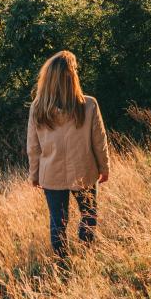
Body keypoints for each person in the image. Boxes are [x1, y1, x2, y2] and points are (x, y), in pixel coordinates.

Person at [26, 50, 110, 256]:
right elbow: (99, 141)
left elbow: (33, 147)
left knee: (58, 221)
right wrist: (104, 167)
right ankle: (86, 255)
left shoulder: (38, 107)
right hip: (84, 170)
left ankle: (62, 265)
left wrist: (34, 175)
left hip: (51, 173)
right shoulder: (88, 104)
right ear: (72, 76)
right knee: (88, 215)